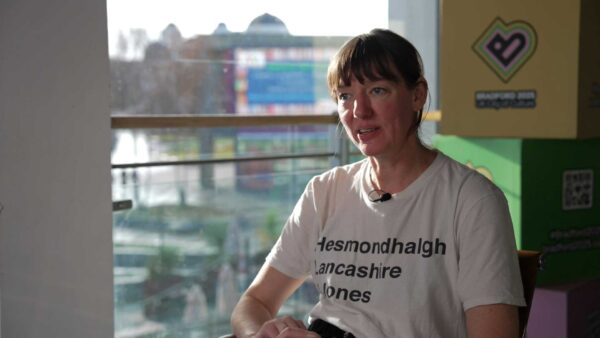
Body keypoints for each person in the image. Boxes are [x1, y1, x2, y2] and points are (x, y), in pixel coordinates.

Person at [230, 28, 525, 338]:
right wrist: (260, 334)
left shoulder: (471, 200)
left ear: (417, 95)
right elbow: (253, 303)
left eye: (377, 90)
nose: (359, 111)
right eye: (345, 96)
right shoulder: (324, 192)